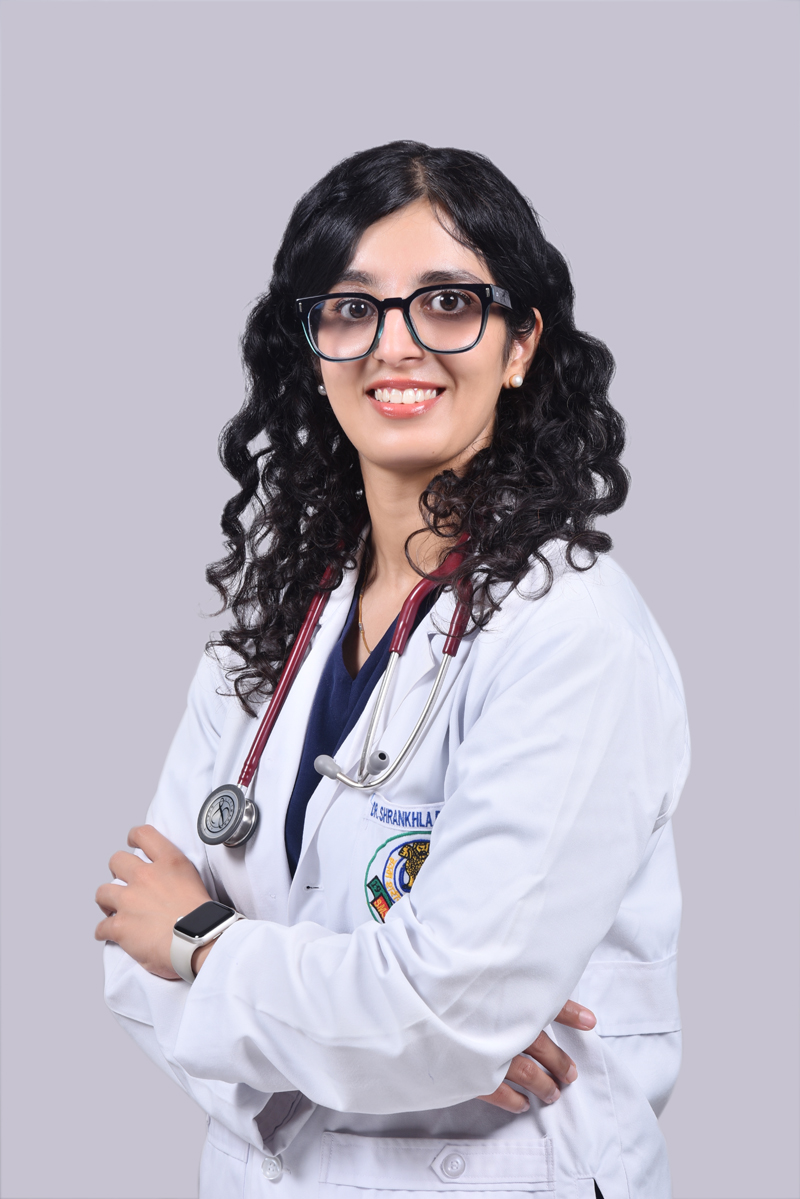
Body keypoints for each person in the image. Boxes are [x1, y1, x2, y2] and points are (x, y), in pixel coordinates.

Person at [96, 141, 688, 1199]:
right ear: (313, 348)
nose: (395, 344)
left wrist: (203, 942)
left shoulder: (571, 634)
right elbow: (126, 952)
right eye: (352, 307)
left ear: (519, 344)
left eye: (448, 303)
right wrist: (394, 1046)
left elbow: (439, 1016)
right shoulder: (273, 627)